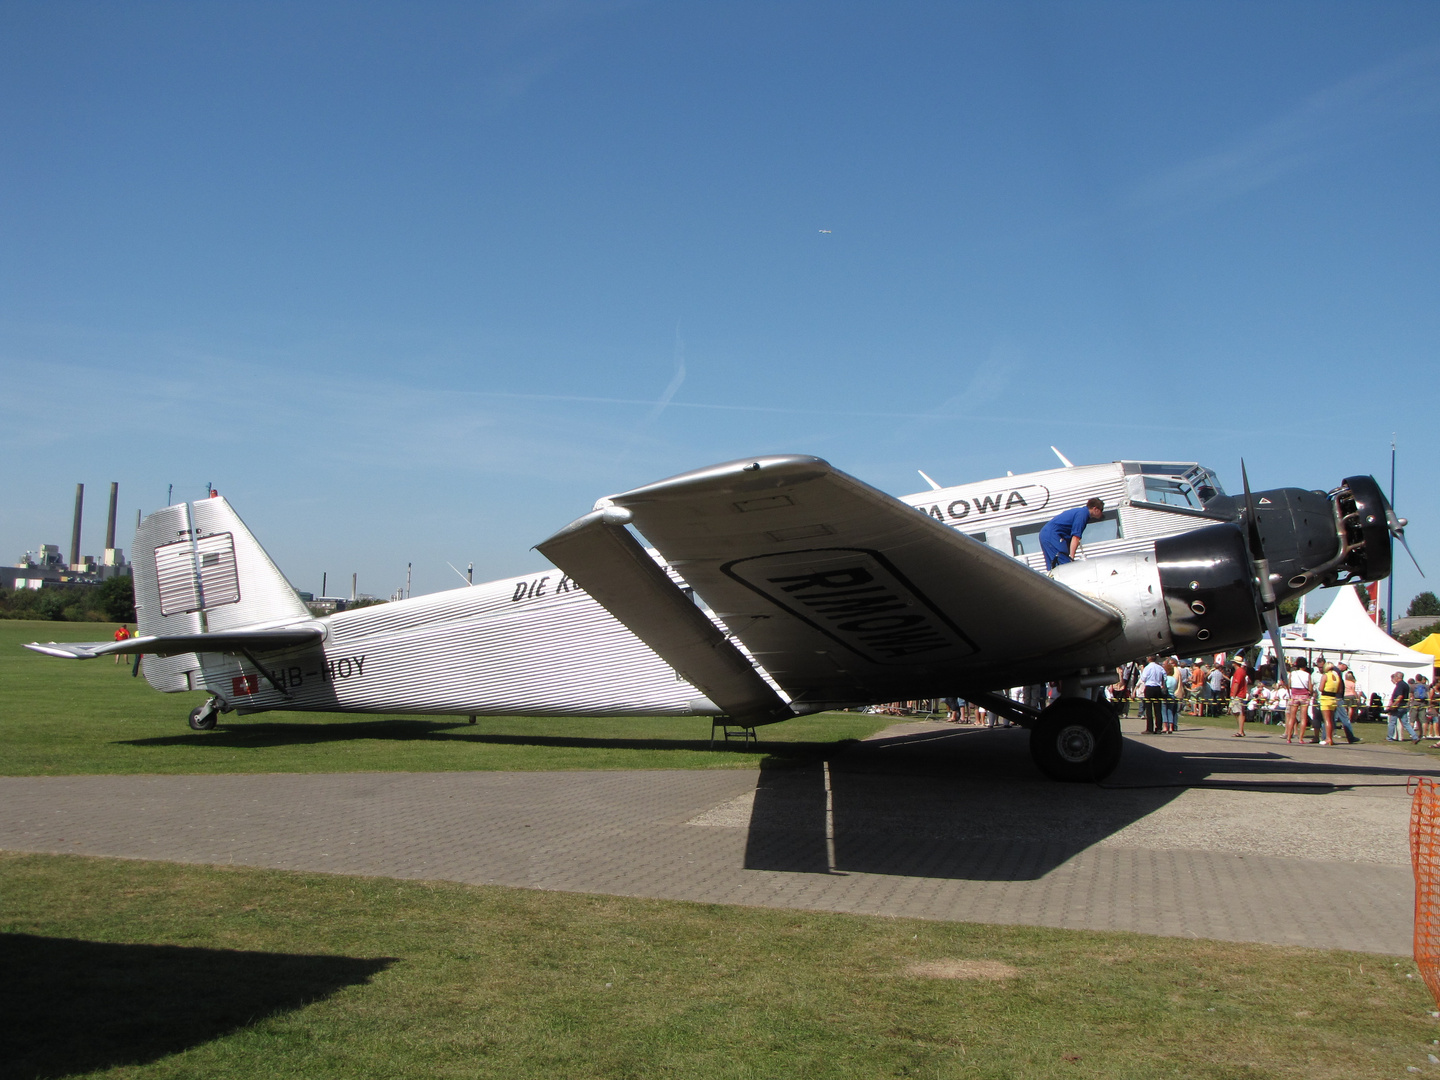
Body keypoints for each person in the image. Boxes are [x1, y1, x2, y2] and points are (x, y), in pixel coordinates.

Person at [1039, 498, 1104, 571]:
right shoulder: (1083, 514)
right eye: (1101, 510)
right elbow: (1076, 537)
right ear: (1095, 509)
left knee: (1053, 567)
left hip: (1046, 534)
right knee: (1065, 566)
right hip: (1053, 534)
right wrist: (1071, 558)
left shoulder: (1080, 512)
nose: (1102, 514)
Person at [1285, 658, 1311, 744]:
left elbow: (1288, 685)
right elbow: (1310, 688)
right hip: (1304, 695)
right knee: (1303, 717)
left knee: (1292, 717)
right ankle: (1301, 738)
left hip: (1294, 695)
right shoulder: (1307, 675)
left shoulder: (1292, 674)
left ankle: (1288, 737)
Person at [1315, 662, 1342, 746]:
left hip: (1325, 699)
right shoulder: (1337, 677)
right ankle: (1330, 738)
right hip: (1333, 698)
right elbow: (1339, 690)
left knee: (1327, 720)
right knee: (1331, 719)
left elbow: (1321, 688)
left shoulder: (1325, 676)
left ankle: (1328, 738)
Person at [1139, 655, 1166, 734]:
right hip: (1157, 688)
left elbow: (1143, 678)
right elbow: (1165, 677)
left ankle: (1149, 728)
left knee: (1149, 709)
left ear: (1149, 659)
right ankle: (1158, 728)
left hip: (1149, 687)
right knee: (1158, 709)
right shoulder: (1160, 667)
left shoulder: (1147, 668)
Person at [1388, 671, 1418, 743]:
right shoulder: (1406, 685)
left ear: (1398, 677)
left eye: (1395, 676)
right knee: (1405, 723)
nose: (1394, 678)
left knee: (1392, 722)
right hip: (1404, 706)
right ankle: (1415, 736)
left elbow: (1400, 696)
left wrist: (1393, 704)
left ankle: (1389, 737)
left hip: (1398, 707)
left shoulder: (1400, 685)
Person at [1230, 660, 1250, 737]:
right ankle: (1240, 730)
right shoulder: (1240, 671)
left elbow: (1237, 683)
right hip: (1237, 694)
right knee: (1236, 712)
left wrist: (1234, 695)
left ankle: (1241, 731)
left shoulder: (1239, 671)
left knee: (1239, 712)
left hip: (1238, 694)